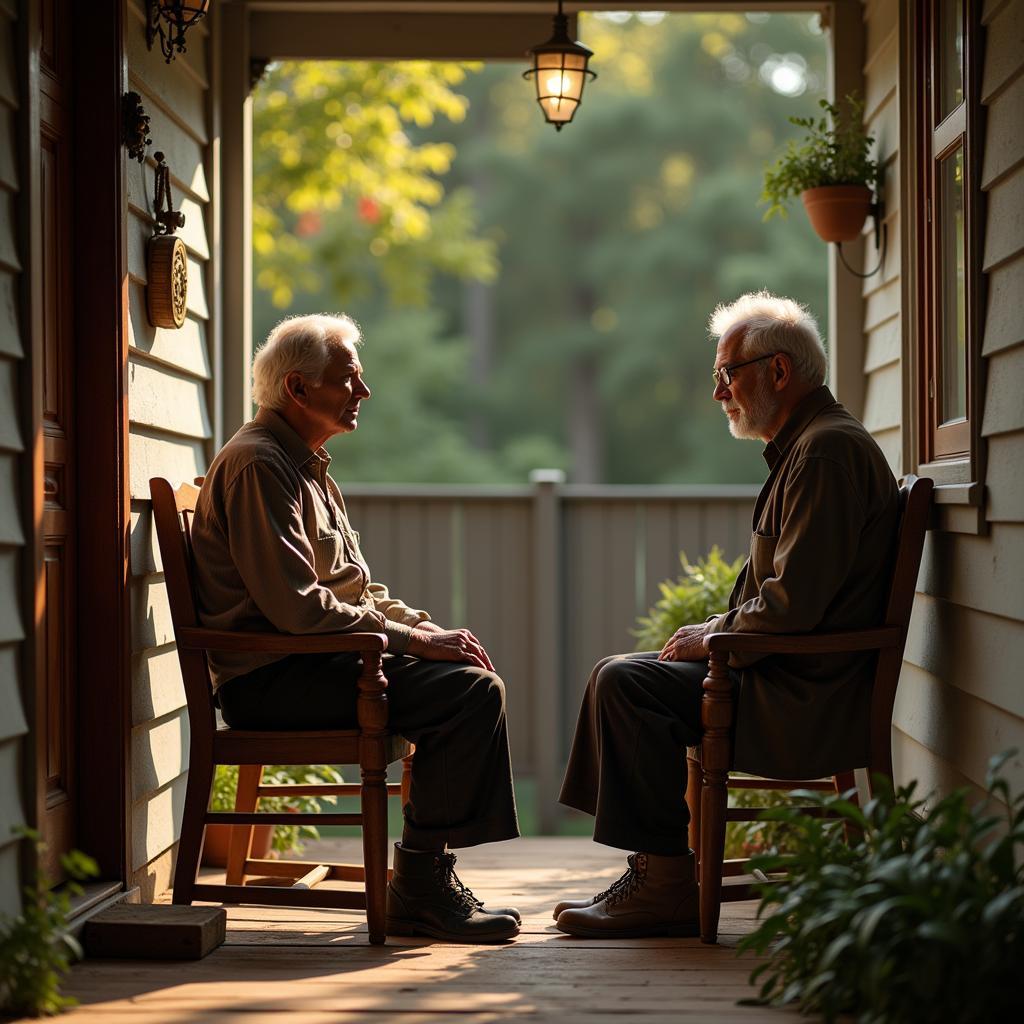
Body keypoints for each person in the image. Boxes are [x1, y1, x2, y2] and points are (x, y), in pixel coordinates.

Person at [554, 291, 899, 938]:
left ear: (778, 371)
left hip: (803, 695)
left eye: (727, 375)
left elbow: (792, 607)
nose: (719, 394)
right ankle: (657, 872)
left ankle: (663, 884)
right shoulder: (811, 446)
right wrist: (714, 633)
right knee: (621, 673)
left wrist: (713, 634)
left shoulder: (825, 453)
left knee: (627, 683)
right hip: (786, 676)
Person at [190, 313, 520, 943]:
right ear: (297, 389)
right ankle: (421, 887)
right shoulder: (260, 466)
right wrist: (411, 642)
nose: (363, 393)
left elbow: (352, 591)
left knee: (466, 675)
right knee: (468, 695)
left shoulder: (305, 465)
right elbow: (298, 608)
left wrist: (425, 629)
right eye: (349, 380)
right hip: (271, 679)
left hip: (315, 662)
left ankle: (422, 879)